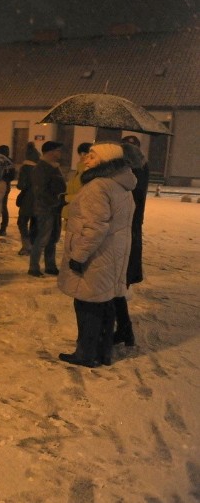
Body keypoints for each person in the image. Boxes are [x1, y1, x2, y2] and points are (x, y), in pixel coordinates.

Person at [57, 142, 135, 367]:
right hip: (112, 253)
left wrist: (78, 256)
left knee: (87, 305)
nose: (86, 159)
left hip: (96, 255)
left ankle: (85, 354)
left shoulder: (98, 186)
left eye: (92, 156)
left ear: (105, 160)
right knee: (104, 304)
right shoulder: (120, 184)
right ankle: (103, 352)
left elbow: (95, 228)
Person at [113, 135, 149, 347]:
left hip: (125, 233)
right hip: (131, 232)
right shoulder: (140, 170)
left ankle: (123, 331)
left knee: (114, 286)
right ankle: (125, 330)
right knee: (116, 287)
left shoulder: (130, 175)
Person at [28, 141, 66, 277]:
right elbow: (40, 190)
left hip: (54, 208)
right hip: (45, 208)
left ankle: (50, 266)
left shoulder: (54, 167)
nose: (60, 153)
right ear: (50, 152)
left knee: (52, 238)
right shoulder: (41, 168)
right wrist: (54, 201)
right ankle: (34, 267)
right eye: (58, 150)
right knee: (42, 238)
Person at [15, 142, 40, 255]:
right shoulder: (39, 169)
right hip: (38, 200)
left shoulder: (25, 168)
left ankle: (26, 246)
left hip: (27, 200)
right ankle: (33, 245)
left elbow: (21, 185)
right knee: (34, 223)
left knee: (22, 222)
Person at [61, 142, 93, 227]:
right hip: (72, 211)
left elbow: (87, 194)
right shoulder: (78, 170)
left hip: (81, 214)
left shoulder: (89, 172)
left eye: (85, 153)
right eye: (80, 153)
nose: (82, 156)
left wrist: (66, 198)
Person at [0, 145, 16, 235]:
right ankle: (1, 227)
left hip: (1, 186)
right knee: (1, 207)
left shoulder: (0, 162)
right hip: (4, 186)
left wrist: (0, 179)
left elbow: (11, 175)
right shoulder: (9, 162)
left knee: (0, 207)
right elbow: (12, 175)